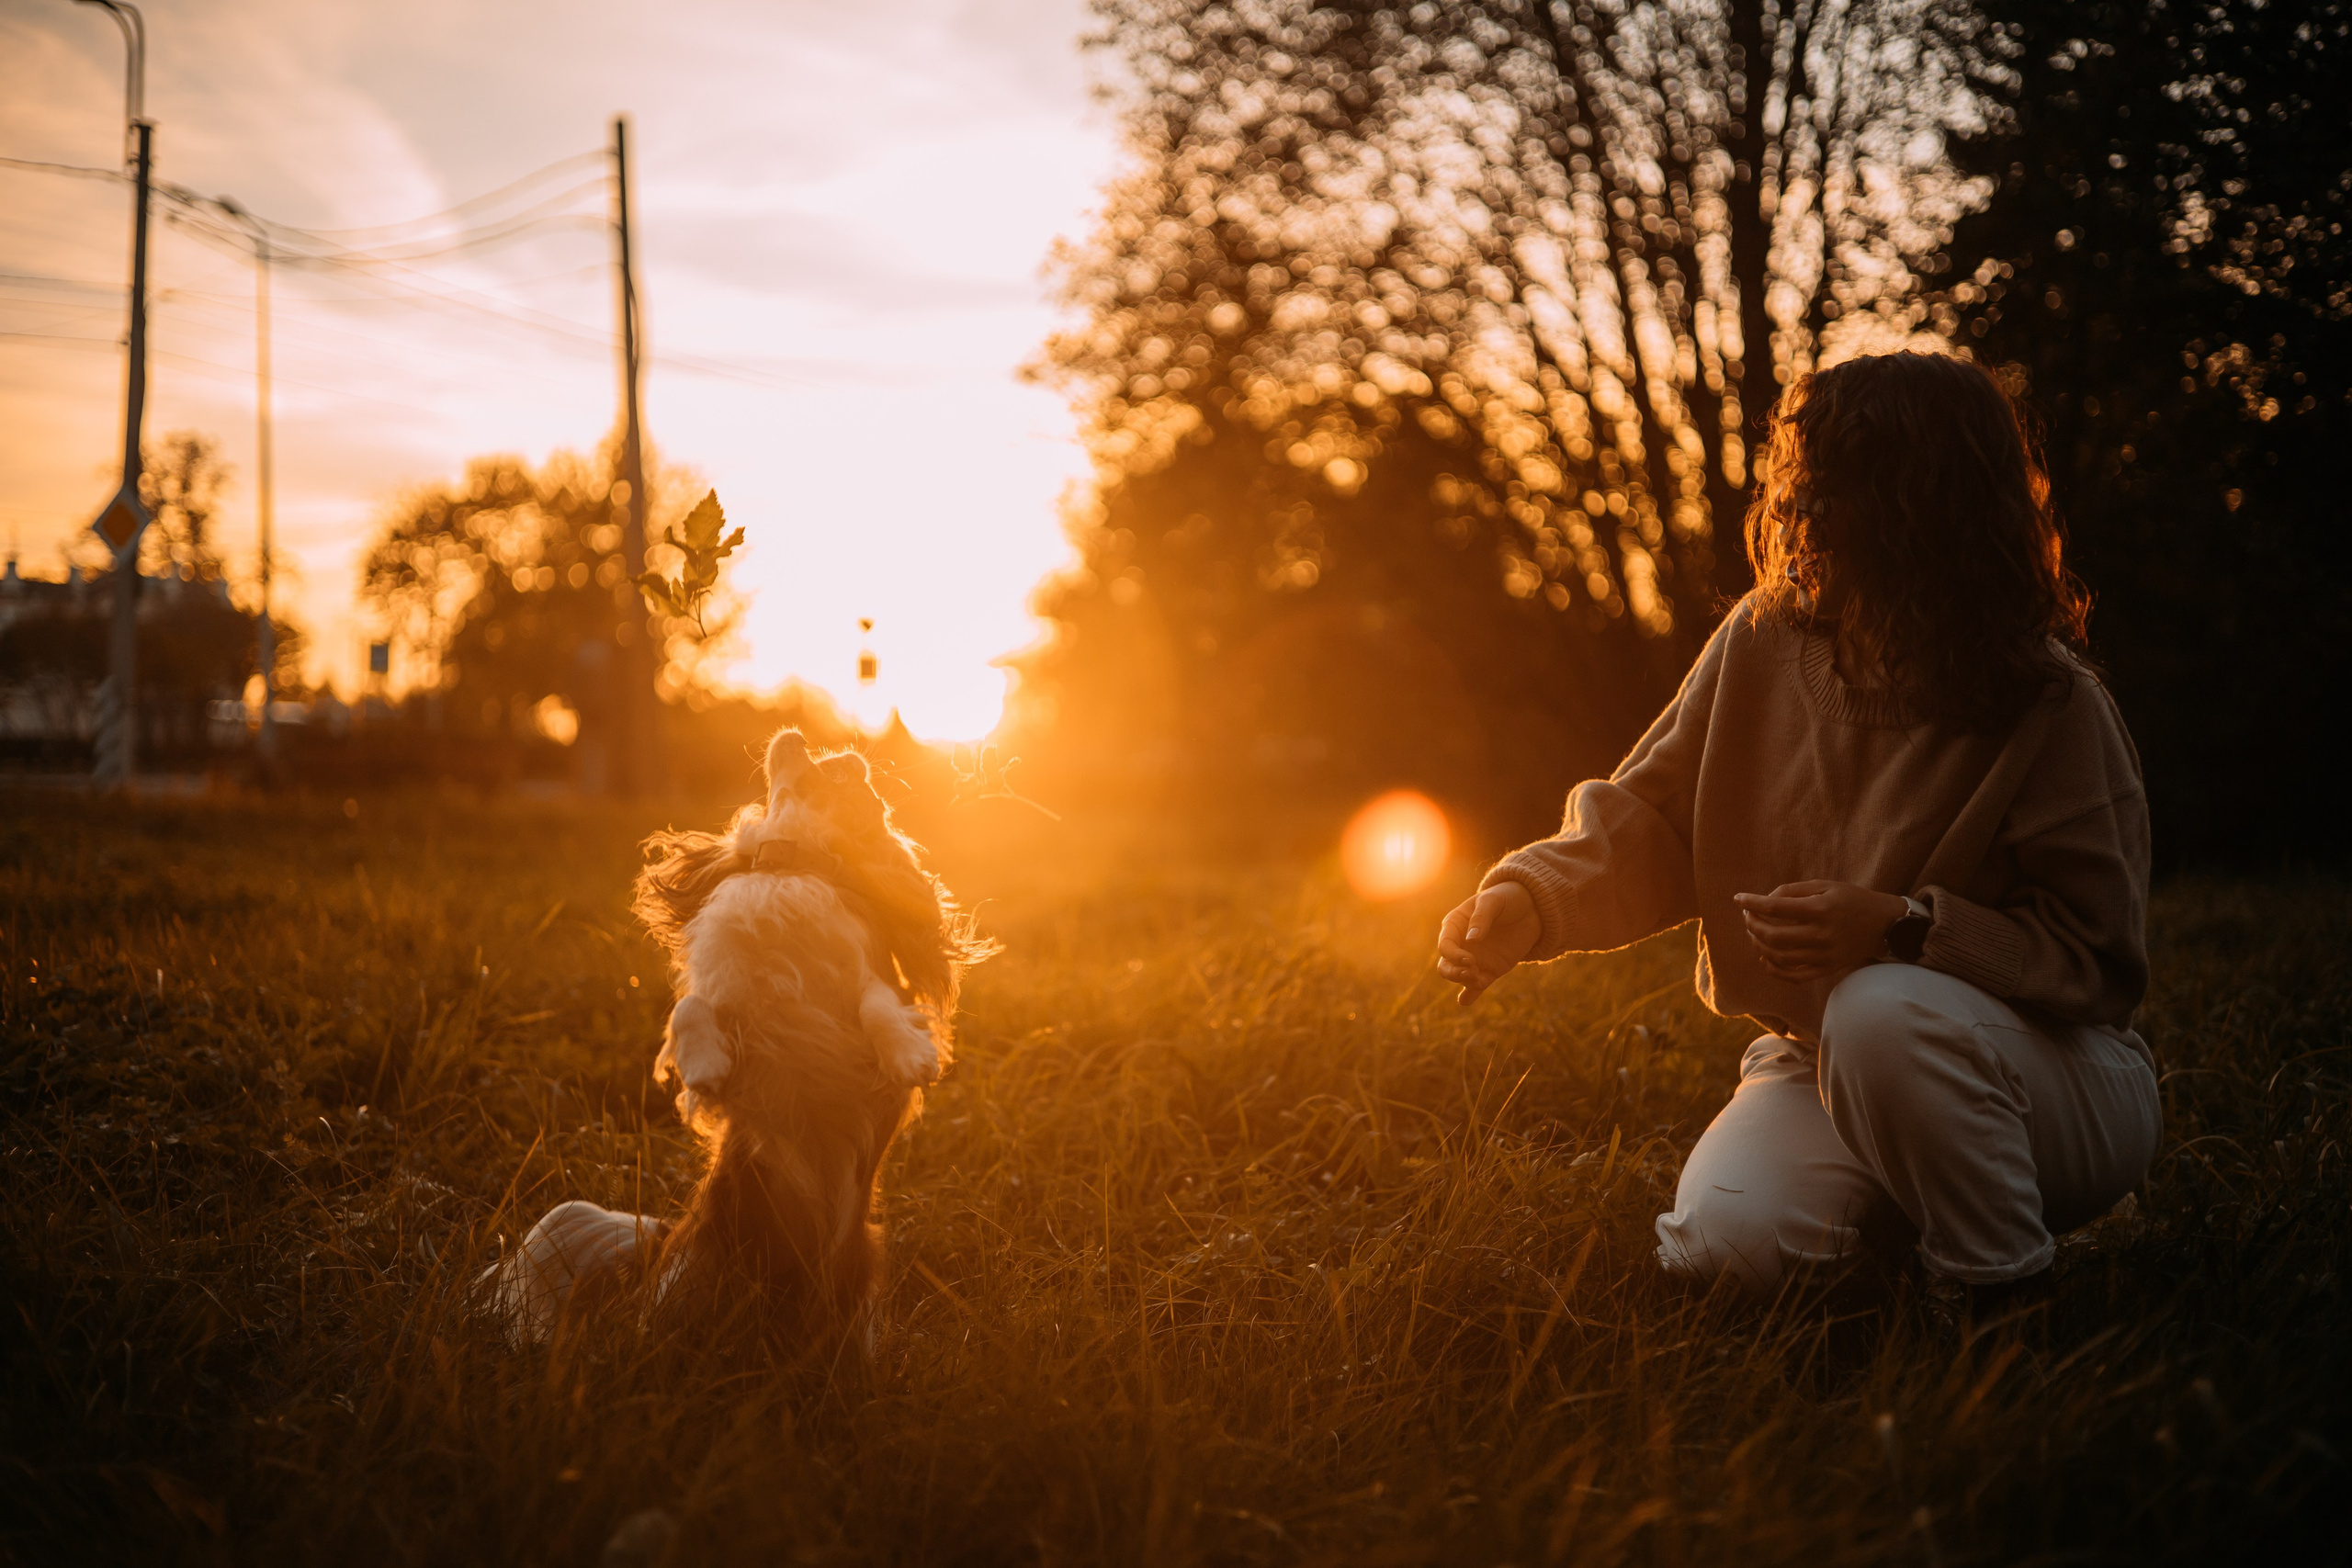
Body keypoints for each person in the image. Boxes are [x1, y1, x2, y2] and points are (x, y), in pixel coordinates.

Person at [1434, 352, 2160, 1296]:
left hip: (2057, 1083)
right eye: (1800, 473)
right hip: (1826, 1060)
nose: (1804, 504)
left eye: (1839, 476)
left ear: (1929, 498)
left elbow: (2098, 963)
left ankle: (1996, 1294)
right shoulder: (1763, 639)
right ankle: (1910, 1202)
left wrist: (1904, 925)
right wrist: (1529, 902)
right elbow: (1655, 819)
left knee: (1879, 1007)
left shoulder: (2049, 701)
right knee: (1723, 1247)